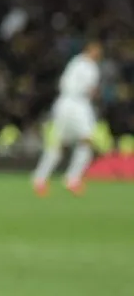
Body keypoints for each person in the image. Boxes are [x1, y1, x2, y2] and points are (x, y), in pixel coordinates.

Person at [31, 42, 103, 196]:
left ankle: (44, 178)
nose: (98, 53)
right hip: (76, 104)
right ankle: (68, 178)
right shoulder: (89, 67)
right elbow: (90, 90)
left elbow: (64, 83)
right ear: (89, 49)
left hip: (65, 104)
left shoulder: (75, 62)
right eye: (96, 50)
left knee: (66, 143)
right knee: (81, 141)